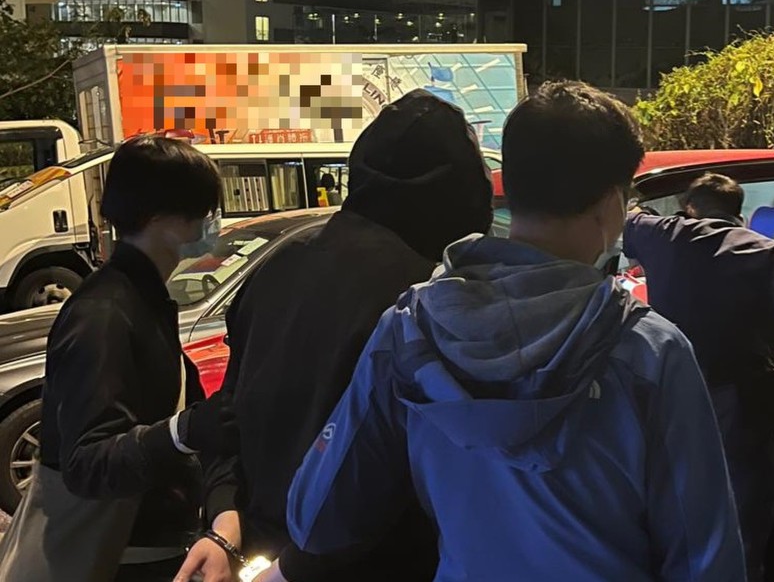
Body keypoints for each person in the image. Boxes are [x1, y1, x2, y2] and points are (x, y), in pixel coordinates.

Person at [264, 81, 745, 582]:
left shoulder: (409, 330)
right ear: (611, 204)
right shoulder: (650, 350)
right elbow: (704, 557)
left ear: (508, 186)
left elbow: (318, 518)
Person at [174, 89, 495, 582]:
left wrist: (224, 519)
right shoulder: (428, 293)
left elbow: (229, 415)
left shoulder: (279, 264)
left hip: (257, 554)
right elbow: (410, 475)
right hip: (370, 564)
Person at [0, 136, 236, 582]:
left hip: (150, 550)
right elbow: (87, 462)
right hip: (115, 561)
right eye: (202, 211)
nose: (212, 223)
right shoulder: (104, 313)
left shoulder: (141, 298)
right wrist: (183, 432)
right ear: (157, 218)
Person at [623, 172, 774, 582]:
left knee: (681, 515)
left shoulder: (662, 234)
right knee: (751, 524)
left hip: (677, 405)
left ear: (690, 209)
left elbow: (628, 213)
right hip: (747, 408)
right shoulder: (770, 252)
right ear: (741, 213)